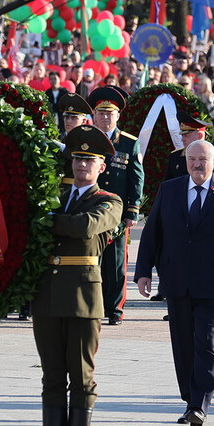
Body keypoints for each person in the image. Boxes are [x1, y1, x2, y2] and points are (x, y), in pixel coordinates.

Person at [23, 125, 122, 426]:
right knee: (51, 376)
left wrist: (48, 220)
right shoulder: (54, 195)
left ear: (101, 167)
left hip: (82, 297)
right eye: (78, 158)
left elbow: (85, 227)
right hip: (47, 295)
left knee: (81, 377)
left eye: (89, 160)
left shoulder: (109, 201)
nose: (82, 165)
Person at [134, 139, 214, 425]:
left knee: (208, 344)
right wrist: (143, 271)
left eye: (203, 159)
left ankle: (201, 402)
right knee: (183, 344)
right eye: (192, 159)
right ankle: (190, 398)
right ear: (186, 162)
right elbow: (152, 232)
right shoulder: (170, 189)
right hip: (177, 280)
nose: (197, 164)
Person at [86, 86, 143, 326]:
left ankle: (115, 309)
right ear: (94, 115)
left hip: (117, 213)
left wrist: (132, 210)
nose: (105, 118)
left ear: (118, 116)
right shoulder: (87, 139)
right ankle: (93, 305)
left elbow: (136, 178)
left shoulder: (129, 143)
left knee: (116, 262)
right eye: (101, 113)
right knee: (91, 260)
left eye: (110, 113)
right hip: (90, 211)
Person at [164, 110, 214, 181]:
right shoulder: (175, 156)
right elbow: (167, 184)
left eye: (186, 135)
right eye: (182, 136)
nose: (183, 139)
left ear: (200, 136)